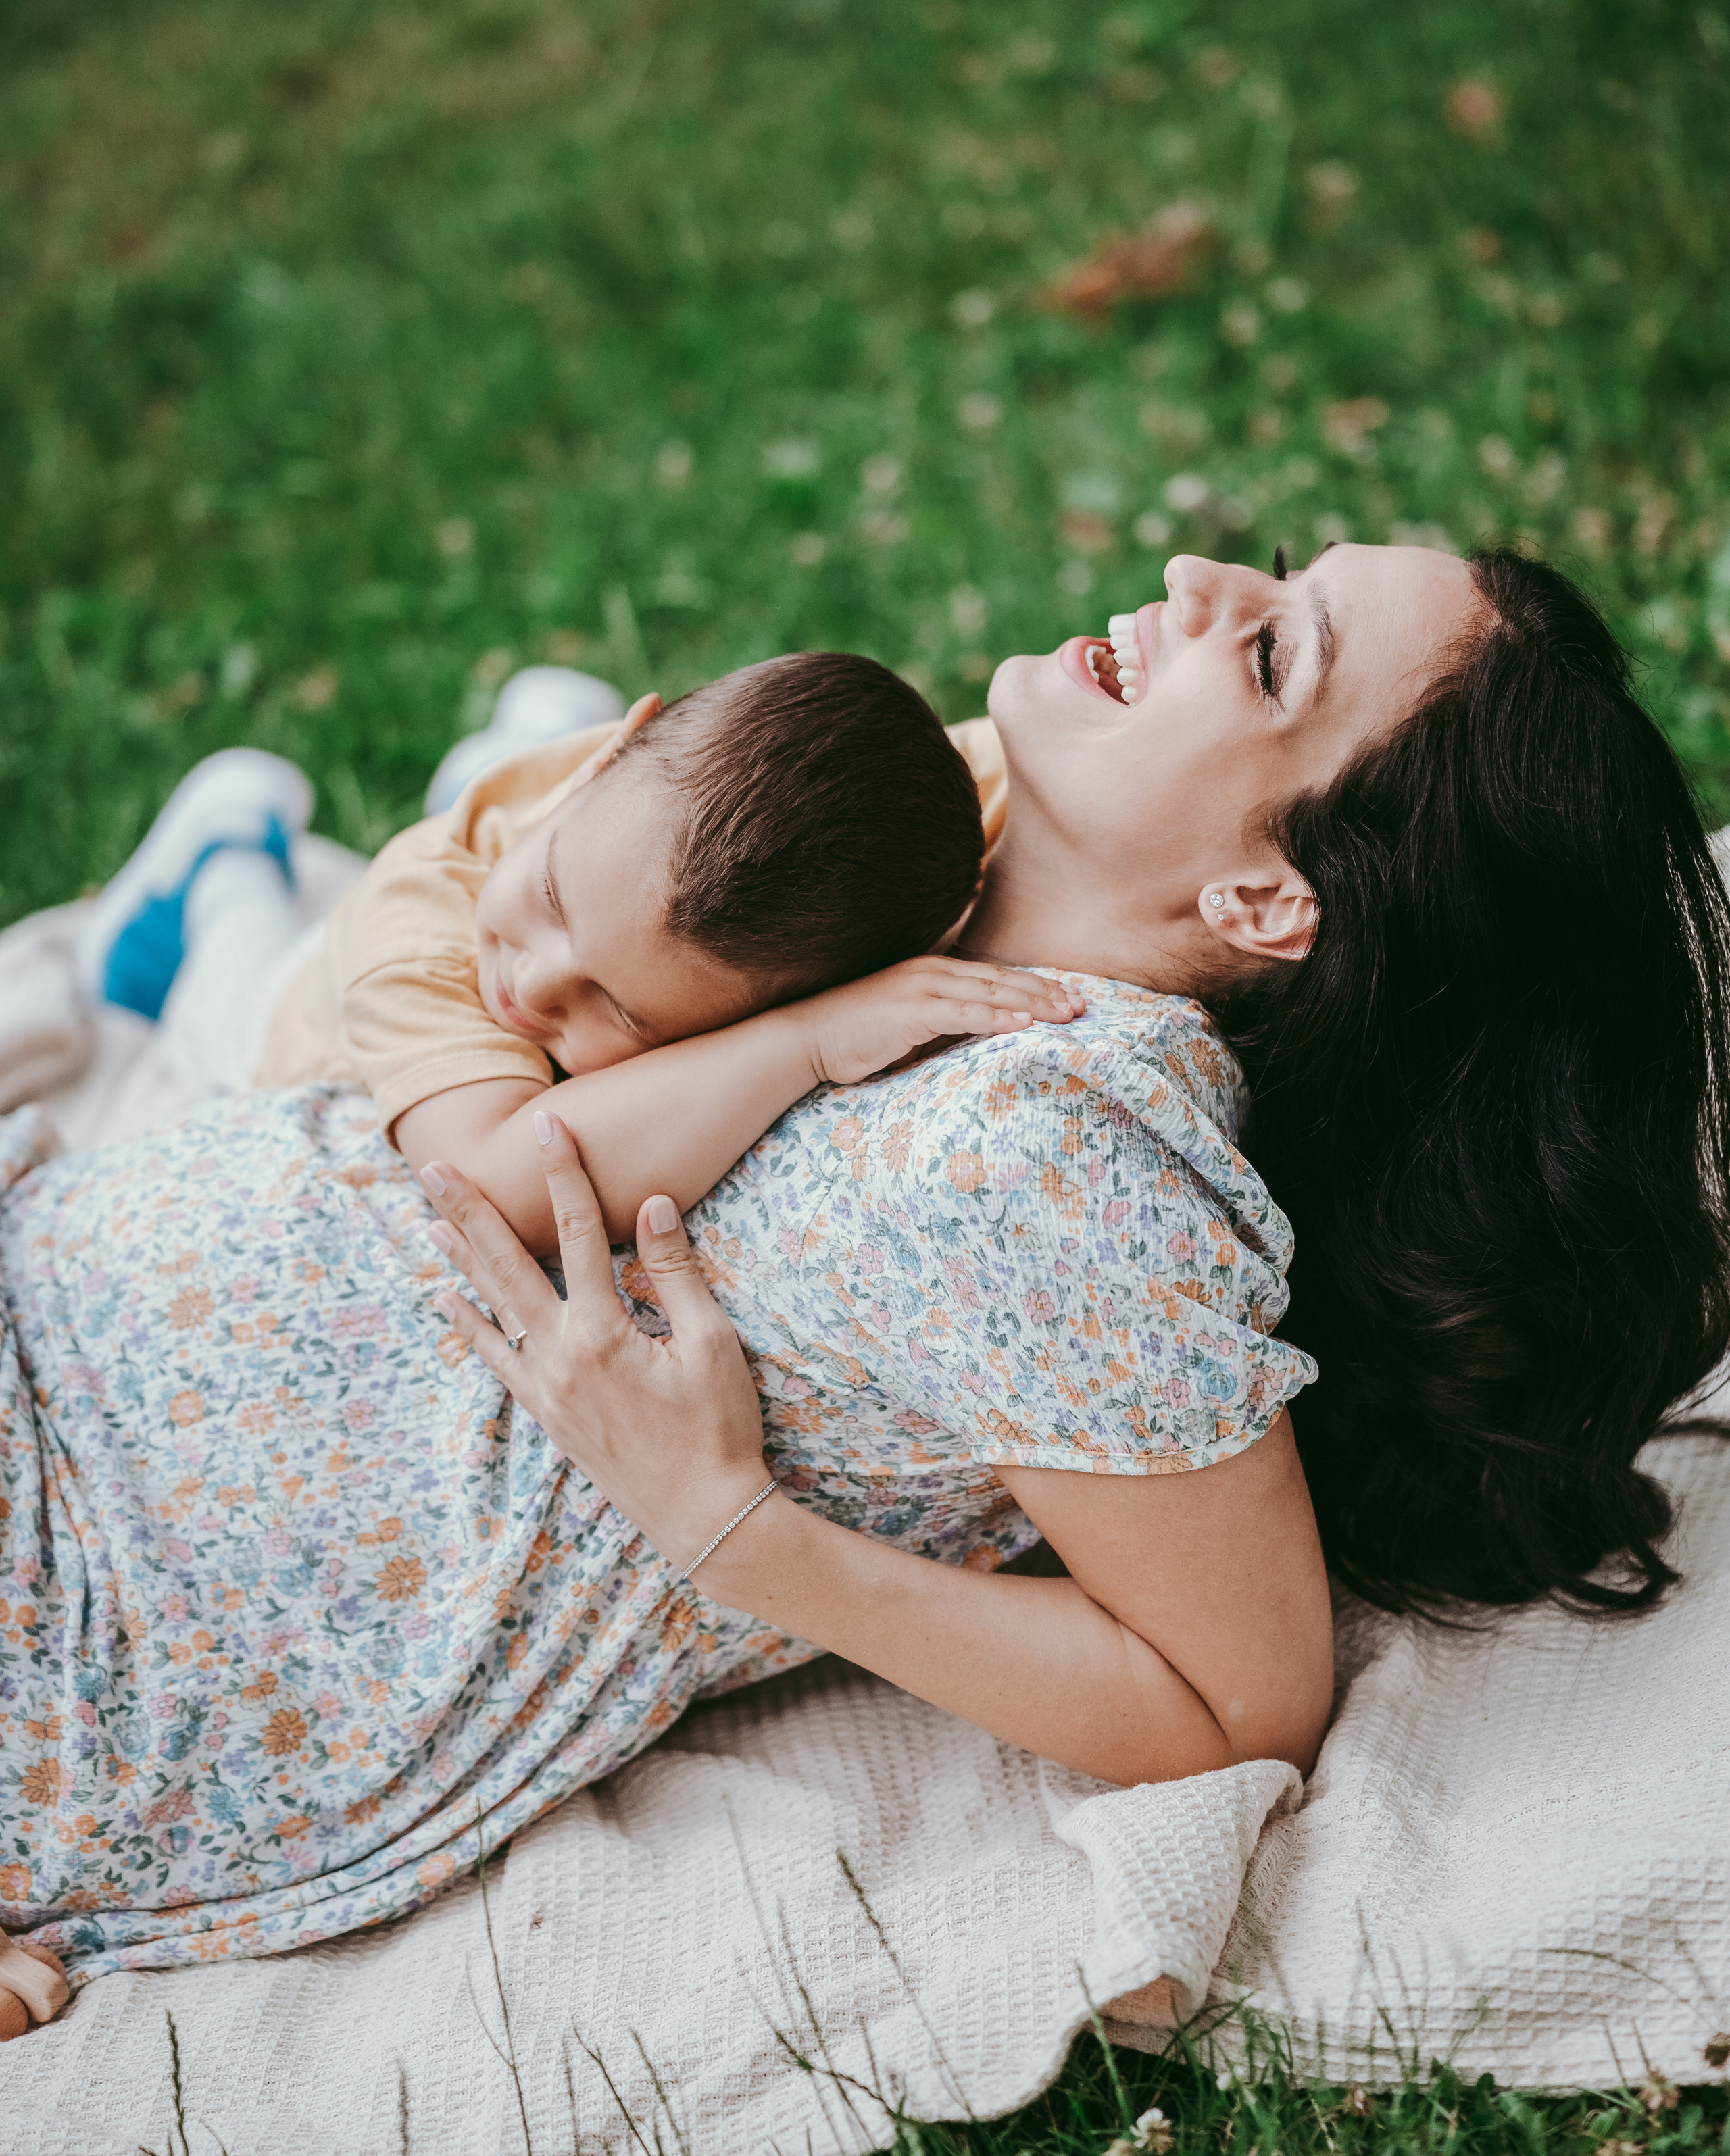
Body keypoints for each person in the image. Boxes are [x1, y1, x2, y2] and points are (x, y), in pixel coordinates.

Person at [1, 543, 1725, 2031]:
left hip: (85, 1598)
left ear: (1265, 893)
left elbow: (1232, 1700)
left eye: (1267, 649)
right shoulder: (932, 876)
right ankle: (220, 899)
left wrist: (731, 1528)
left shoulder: (1057, 1151)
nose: (1202, 579)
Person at [254, 651, 1025, 1247]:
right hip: (302, 1024)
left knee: (517, 812)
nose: (535, 982)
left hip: (547, 818)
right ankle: (221, 864)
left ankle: (515, 751)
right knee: (232, 969)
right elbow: (493, 1185)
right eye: (553, 896)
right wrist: (807, 1040)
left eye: (622, 1011)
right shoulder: (418, 930)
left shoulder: (917, 853)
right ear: (613, 750)